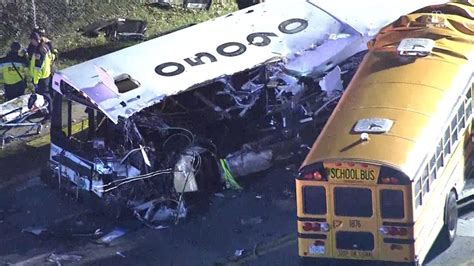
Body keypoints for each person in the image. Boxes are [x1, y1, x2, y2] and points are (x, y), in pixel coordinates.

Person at [29, 32, 53, 120]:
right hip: (46, 75)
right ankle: (41, 112)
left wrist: (35, 81)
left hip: (41, 78)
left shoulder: (39, 51)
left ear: (35, 40)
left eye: (32, 41)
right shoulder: (46, 46)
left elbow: (37, 68)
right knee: (43, 95)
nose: (31, 43)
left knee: (44, 95)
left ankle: (49, 114)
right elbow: (50, 58)